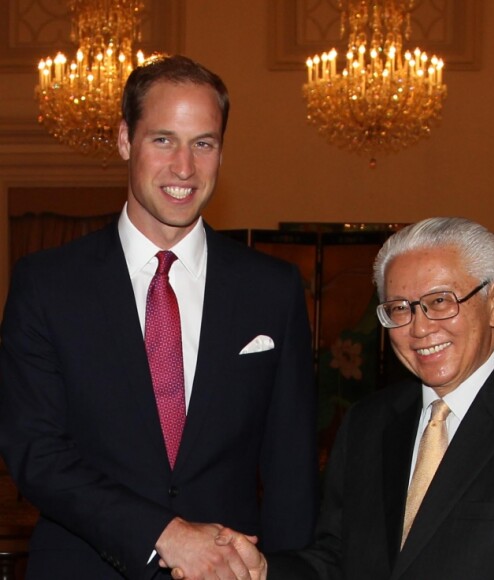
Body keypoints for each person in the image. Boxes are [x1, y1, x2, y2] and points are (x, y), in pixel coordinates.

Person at [0, 55, 318, 579]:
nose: (185, 168)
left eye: (204, 143)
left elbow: (292, 470)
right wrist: (163, 534)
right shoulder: (48, 284)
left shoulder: (272, 289)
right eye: (163, 140)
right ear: (126, 140)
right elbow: (35, 452)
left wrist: (284, 572)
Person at [224, 216, 494, 579]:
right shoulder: (368, 423)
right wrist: (264, 571)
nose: (420, 327)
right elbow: (336, 560)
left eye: (440, 301)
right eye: (399, 308)